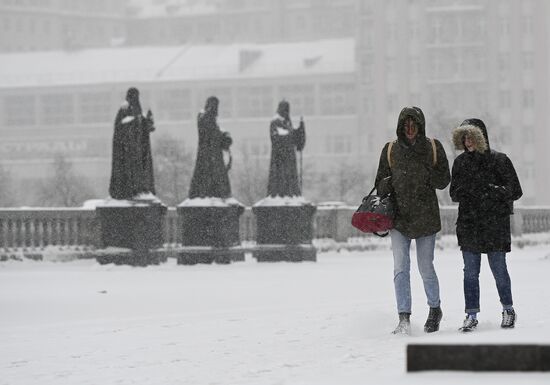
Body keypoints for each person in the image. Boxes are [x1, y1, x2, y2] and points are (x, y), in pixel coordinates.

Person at [375, 106, 450, 335]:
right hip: (399, 219)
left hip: (426, 217)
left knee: (425, 267)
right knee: (400, 268)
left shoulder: (433, 147)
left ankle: (434, 309)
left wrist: (425, 173)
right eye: (406, 126)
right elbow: (379, 183)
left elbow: (444, 179)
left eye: (414, 125)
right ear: (400, 127)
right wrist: (391, 182)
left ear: (420, 126)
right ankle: (404, 317)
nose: (410, 130)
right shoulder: (390, 150)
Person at [450, 119, 523, 332]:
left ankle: (508, 310)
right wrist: (471, 190)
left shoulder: (500, 160)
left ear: (481, 137)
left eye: (471, 136)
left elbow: (516, 190)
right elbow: (454, 193)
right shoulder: (460, 163)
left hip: (495, 225)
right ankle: (471, 314)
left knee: (499, 270)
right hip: (469, 224)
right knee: (470, 273)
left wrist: (491, 190)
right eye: (464, 137)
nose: (467, 141)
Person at [109, 87, 156, 200]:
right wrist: (135, 121)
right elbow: (120, 127)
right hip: (127, 151)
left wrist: (148, 120)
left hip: (138, 150)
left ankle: (139, 189)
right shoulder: (124, 109)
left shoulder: (137, 109)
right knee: (129, 172)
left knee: (139, 172)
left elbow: (144, 128)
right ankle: (130, 190)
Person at [189, 96, 232, 199]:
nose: (216, 109)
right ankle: (210, 193)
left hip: (214, 154)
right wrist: (223, 136)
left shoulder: (209, 117)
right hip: (208, 155)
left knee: (217, 177)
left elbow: (216, 132)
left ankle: (216, 193)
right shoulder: (204, 116)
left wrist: (225, 135)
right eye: (214, 106)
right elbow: (211, 133)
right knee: (209, 177)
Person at [267, 100, 306, 197]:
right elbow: (276, 138)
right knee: (281, 178)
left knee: (290, 177)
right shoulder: (275, 122)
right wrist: (291, 134)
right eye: (284, 109)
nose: (286, 112)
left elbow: (295, 139)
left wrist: (300, 129)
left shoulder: (288, 123)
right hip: (279, 159)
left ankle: (291, 192)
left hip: (289, 157)